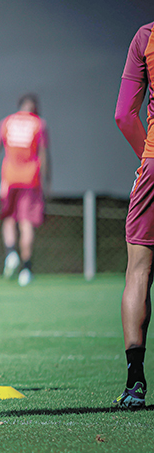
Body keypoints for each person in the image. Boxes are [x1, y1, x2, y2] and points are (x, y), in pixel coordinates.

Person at [112, 20, 154, 410]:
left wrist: (146, 157)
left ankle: (135, 383)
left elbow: (125, 115)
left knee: (139, 271)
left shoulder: (146, 36)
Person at [0, 93, 50, 287]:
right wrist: (47, 184)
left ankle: (11, 253)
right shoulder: (39, 124)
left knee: (8, 219)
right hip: (31, 180)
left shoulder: (7, 122)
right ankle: (26, 269)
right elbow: (44, 155)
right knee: (26, 223)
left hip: (9, 179)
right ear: (35, 107)